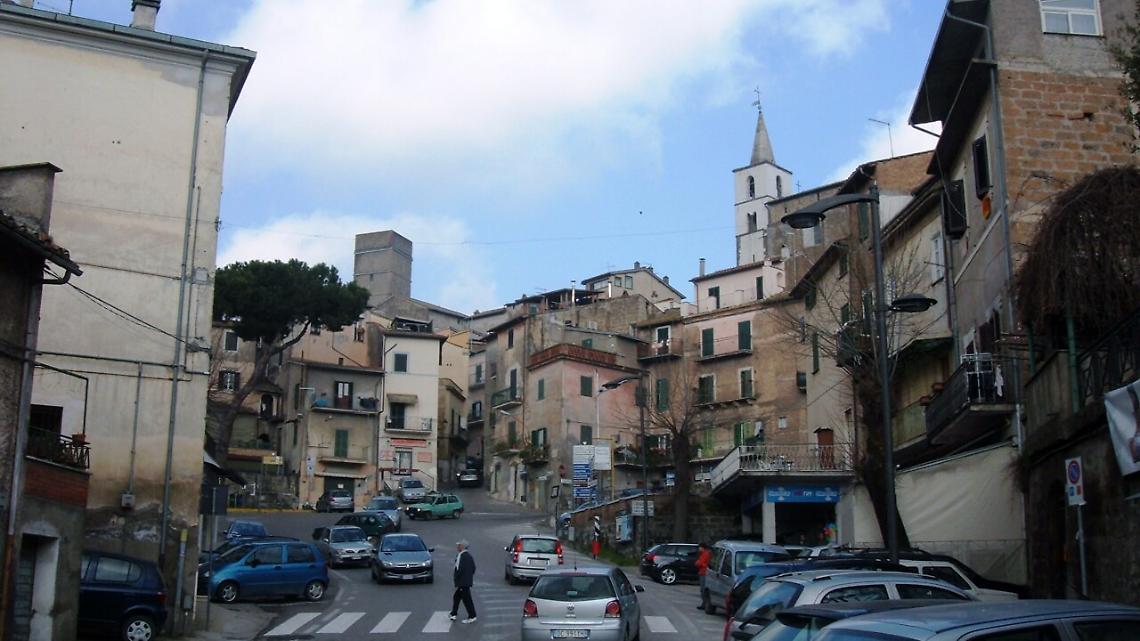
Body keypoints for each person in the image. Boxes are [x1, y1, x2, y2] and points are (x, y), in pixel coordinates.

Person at [450, 540, 477, 624]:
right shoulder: (468, 556)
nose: (457, 547)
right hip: (465, 581)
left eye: (459, 545)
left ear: (463, 547)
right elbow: (473, 568)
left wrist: (457, 579)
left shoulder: (462, 556)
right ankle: (453, 614)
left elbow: (459, 570)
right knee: (457, 597)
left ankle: (472, 616)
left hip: (463, 582)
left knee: (467, 599)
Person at [695, 542, 712, 610]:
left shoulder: (705, 554)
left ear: (702, 547)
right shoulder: (707, 553)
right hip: (704, 572)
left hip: (703, 572)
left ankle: (704, 603)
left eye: (699, 547)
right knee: (703, 589)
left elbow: (699, 563)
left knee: (703, 589)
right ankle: (704, 603)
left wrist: (698, 563)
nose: (699, 549)